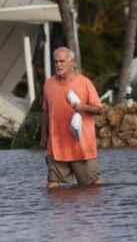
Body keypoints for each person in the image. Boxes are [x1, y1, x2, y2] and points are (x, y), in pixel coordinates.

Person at [41, 47, 104, 189]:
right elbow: (45, 111)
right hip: (56, 148)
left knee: (93, 188)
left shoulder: (84, 82)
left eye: (62, 61)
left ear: (72, 63)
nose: (58, 65)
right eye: (56, 61)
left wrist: (82, 107)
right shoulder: (48, 84)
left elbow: (99, 109)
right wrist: (44, 136)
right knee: (52, 187)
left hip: (81, 148)